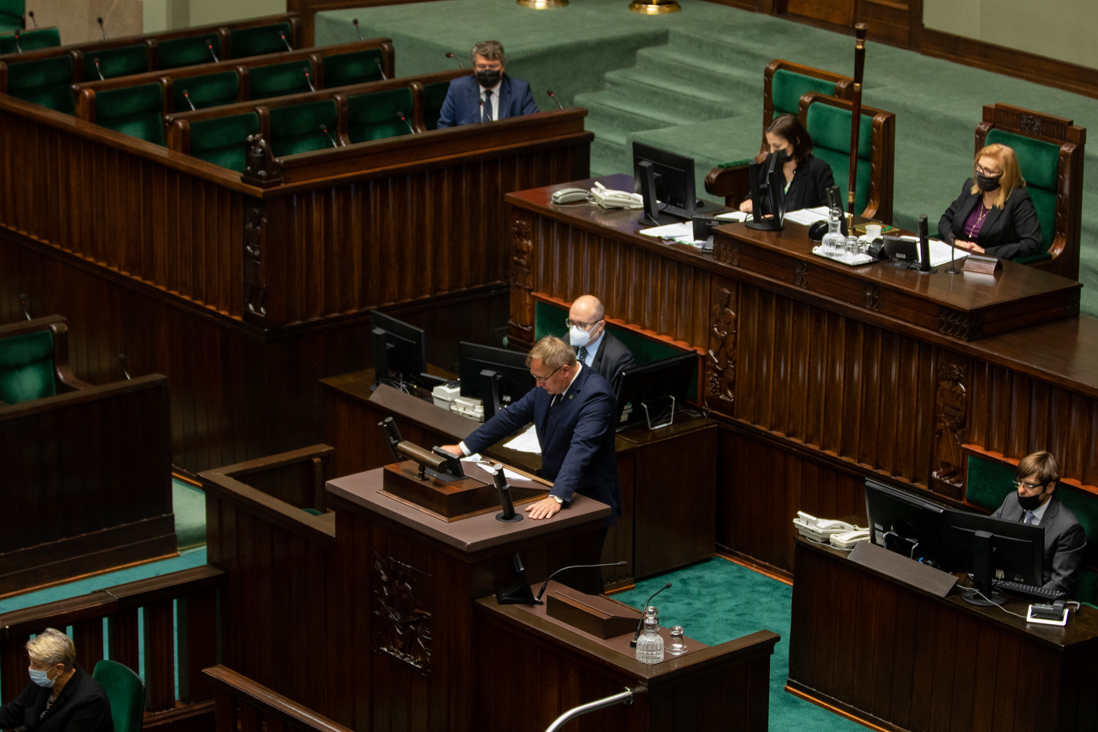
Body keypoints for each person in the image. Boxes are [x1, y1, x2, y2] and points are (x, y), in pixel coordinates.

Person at [441, 336, 620, 527]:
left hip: (588, 497)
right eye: (535, 377)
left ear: (565, 370)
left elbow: (581, 448)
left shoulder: (596, 395)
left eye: (542, 378)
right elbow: (511, 417)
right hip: (552, 487)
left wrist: (557, 495)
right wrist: (462, 448)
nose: (538, 385)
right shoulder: (548, 382)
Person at [990, 451, 1087, 595]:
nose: (1020, 490)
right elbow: (985, 534)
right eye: (1019, 482)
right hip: (998, 588)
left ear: (1049, 487)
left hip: (1033, 598)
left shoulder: (1068, 527)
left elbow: (1059, 585)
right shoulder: (1011, 501)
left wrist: (1021, 596)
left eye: (1029, 485)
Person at [937, 143, 1043, 259]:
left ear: (1004, 176)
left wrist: (986, 252)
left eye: (988, 171)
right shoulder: (970, 187)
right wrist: (955, 241)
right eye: (979, 167)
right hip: (958, 257)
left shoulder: (1018, 200)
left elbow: (1032, 244)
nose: (980, 173)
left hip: (991, 264)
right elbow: (945, 220)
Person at [0, 628, 114, 732]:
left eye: (37, 665)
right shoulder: (44, 681)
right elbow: (13, 713)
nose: (31, 668)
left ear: (59, 669)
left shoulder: (89, 701)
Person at [739, 114, 835, 215]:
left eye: (777, 146)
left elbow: (830, 212)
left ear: (796, 141)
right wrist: (750, 202)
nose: (772, 151)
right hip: (767, 224)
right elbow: (756, 193)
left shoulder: (818, 169)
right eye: (770, 145)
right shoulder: (771, 161)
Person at [436, 40, 539, 128]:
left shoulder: (520, 90)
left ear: (502, 67)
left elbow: (534, 126)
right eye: (481, 67)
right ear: (474, 68)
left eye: (493, 66)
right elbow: (444, 126)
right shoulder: (458, 89)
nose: (487, 71)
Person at [567, 295, 633, 392]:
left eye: (582, 325)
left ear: (600, 326)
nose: (574, 330)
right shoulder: (566, 341)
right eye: (572, 323)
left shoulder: (618, 358)